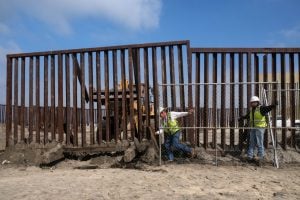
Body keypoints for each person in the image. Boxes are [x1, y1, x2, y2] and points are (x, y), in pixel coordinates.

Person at [239, 96, 278, 165]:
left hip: (260, 128)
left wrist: (273, 105)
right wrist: (242, 118)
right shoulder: (252, 110)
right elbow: (248, 116)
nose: (252, 103)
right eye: (252, 102)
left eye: (254, 102)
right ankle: (250, 156)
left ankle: (261, 157)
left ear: (257, 102)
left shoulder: (261, 108)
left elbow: (268, 108)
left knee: (259, 143)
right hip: (253, 128)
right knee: (251, 142)